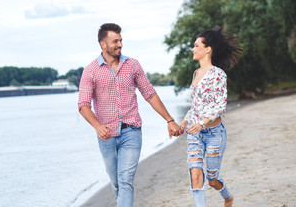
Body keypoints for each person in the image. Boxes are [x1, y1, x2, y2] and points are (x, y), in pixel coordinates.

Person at [78, 23, 182, 207]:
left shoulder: (132, 65)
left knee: (125, 180)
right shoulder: (90, 70)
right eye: (115, 41)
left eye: (121, 40)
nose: (120, 45)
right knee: (117, 183)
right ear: (103, 44)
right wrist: (97, 126)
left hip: (131, 132)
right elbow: (83, 105)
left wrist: (170, 119)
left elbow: (149, 93)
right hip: (106, 135)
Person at [178, 26, 242, 207]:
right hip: (194, 133)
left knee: (212, 179)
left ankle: (227, 197)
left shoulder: (218, 75)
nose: (193, 49)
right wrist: (182, 124)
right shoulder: (196, 74)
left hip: (214, 134)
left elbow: (220, 106)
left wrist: (202, 122)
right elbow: (195, 106)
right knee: (195, 174)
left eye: (196, 45)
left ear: (208, 49)